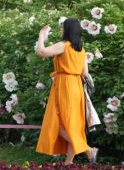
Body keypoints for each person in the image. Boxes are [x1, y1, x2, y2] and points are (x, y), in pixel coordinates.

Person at [35, 18, 98, 165]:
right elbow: (85, 73)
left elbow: (41, 51)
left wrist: (41, 35)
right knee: (72, 124)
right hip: (76, 86)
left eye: (62, 27)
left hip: (64, 86)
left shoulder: (63, 45)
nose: (60, 30)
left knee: (56, 124)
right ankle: (68, 162)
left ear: (68, 29)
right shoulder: (81, 50)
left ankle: (87, 149)